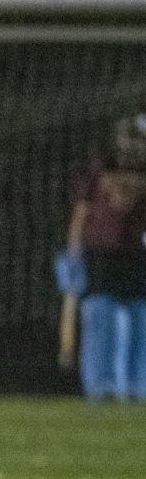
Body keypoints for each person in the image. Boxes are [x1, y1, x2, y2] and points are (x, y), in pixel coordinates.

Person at [56, 111, 146, 400]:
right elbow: (82, 212)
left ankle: (137, 386)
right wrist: (73, 253)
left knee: (138, 318)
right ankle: (102, 387)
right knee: (101, 315)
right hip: (100, 253)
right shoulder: (98, 169)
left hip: (135, 253)